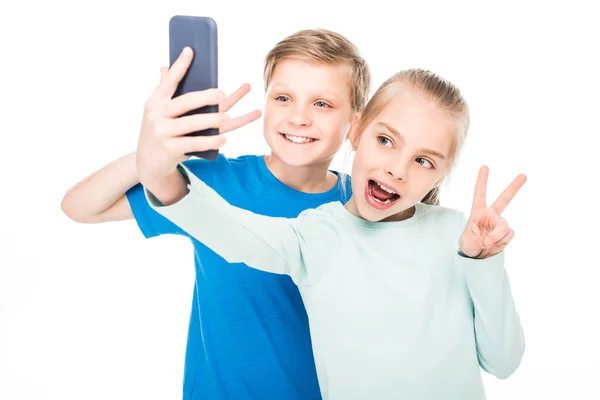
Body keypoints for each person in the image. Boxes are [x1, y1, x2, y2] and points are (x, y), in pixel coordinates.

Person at [141, 68, 527, 400]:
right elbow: (234, 234)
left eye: (423, 161)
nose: (397, 169)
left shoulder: (456, 236)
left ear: (440, 175)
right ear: (357, 132)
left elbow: (504, 362)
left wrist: (483, 261)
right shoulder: (319, 235)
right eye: (386, 141)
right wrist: (159, 169)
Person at [61, 29, 371, 399]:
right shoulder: (216, 183)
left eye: (322, 103)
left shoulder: (366, 204)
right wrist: (153, 152)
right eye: (284, 97)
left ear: (356, 123)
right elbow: (81, 207)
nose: (299, 117)